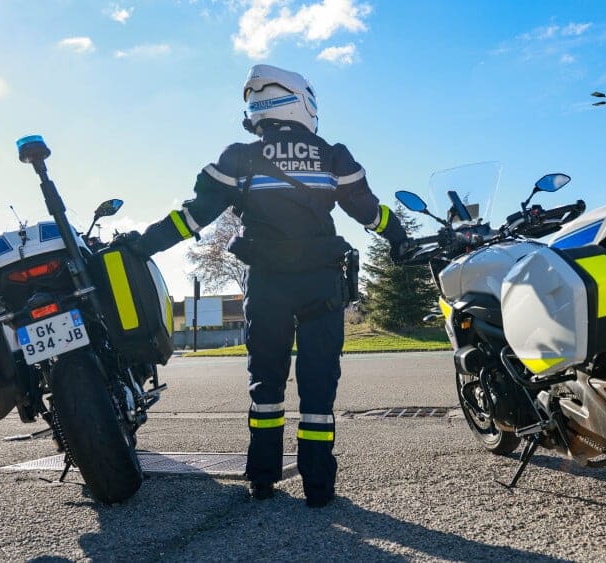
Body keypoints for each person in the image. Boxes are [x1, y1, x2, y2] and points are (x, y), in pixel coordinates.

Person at [121, 64, 409, 508]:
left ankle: (262, 479)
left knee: (266, 383)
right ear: (304, 102)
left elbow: (194, 215)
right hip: (322, 285)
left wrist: (142, 245)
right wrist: (400, 239)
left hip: (268, 284)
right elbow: (370, 211)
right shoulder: (334, 156)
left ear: (256, 108)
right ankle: (318, 486)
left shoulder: (240, 157)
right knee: (318, 390)